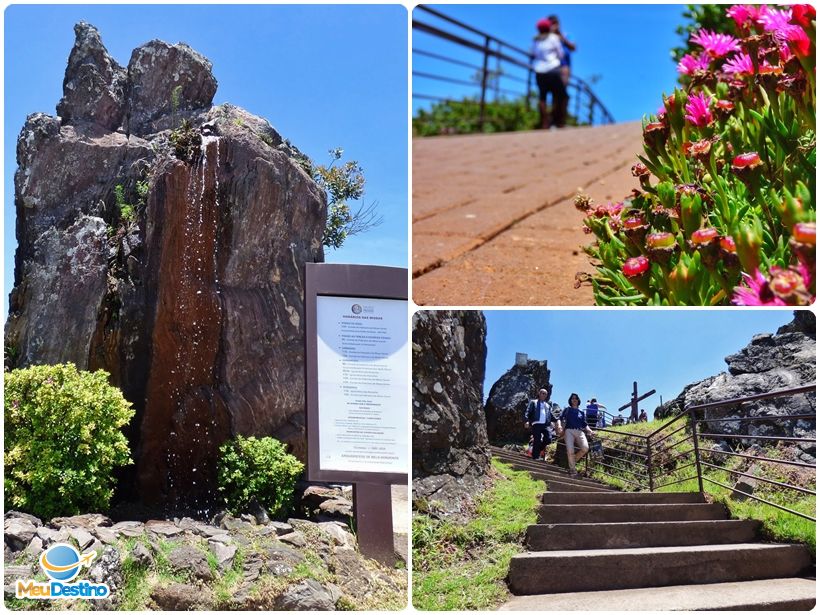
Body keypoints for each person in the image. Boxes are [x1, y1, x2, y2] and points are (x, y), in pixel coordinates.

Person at [530, 18, 567, 129]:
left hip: (539, 71)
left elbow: (532, 54)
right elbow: (561, 54)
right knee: (561, 96)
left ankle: (544, 123)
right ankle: (558, 122)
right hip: (553, 69)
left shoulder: (535, 40)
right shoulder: (554, 38)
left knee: (542, 97)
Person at [556, 392, 594, 476]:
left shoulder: (581, 412)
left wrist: (590, 431)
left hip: (579, 431)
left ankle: (572, 461)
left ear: (578, 400)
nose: (574, 400)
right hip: (568, 430)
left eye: (576, 398)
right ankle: (572, 469)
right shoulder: (567, 409)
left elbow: (584, 424)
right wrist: (559, 425)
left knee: (585, 448)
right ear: (570, 400)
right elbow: (559, 418)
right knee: (570, 450)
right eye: (573, 398)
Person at [524, 388, 556, 462]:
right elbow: (528, 411)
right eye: (542, 393)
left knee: (548, 439)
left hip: (545, 425)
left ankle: (537, 450)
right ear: (539, 393)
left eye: (545, 394)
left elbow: (551, 415)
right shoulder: (533, 402)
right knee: (537, 439)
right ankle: (535, 456)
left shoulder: (548, 405)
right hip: (536, 423)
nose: (544, 395)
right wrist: (527, 421)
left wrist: (558, 420)